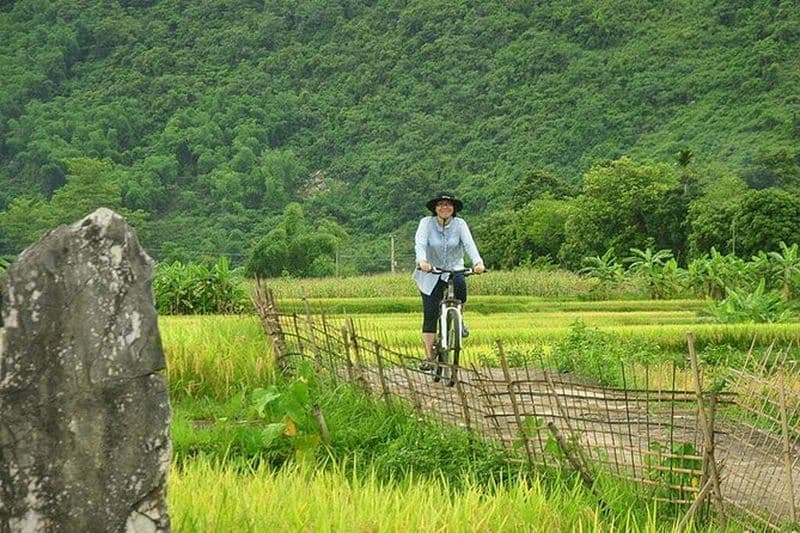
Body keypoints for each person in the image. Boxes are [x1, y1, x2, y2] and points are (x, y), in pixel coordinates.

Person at [412, 192, 485, 369]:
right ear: (435, 208)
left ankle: (459, 319)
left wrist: (478, 262)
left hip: (454, 268)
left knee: (460, 287)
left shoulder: (460, 225)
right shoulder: (426, 224)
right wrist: (422, 261)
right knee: (430, 314)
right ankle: (429, 357)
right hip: (431, 271)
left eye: (448, 205)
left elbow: (469, 244)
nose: (445, 208)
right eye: (441, 205)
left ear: (454, 209)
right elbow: (420, 244)